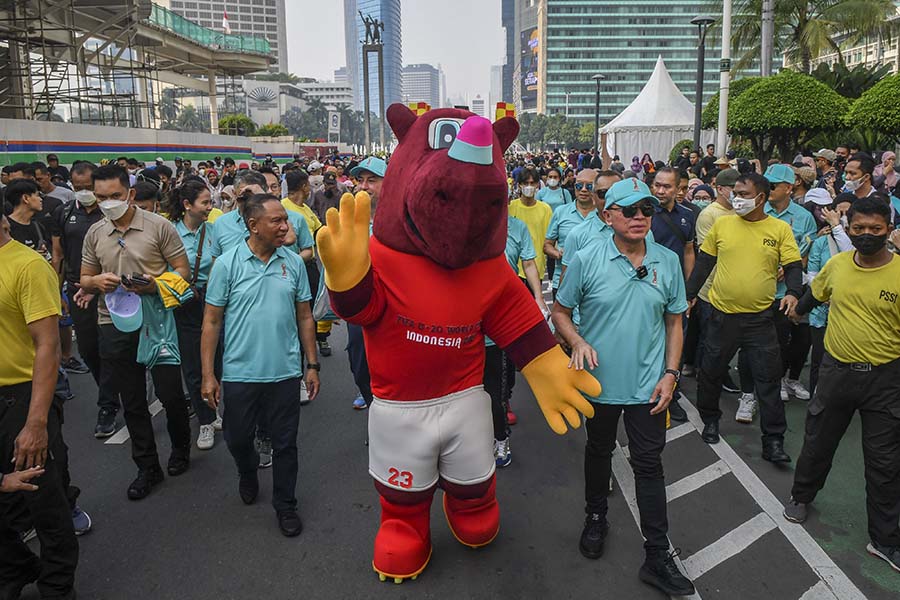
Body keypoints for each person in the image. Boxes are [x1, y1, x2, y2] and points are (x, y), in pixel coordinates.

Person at [552, 178, 694, 597]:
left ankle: (656, 555)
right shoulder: (586, 257)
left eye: (646, 210)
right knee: (598, 452)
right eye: (629, 210)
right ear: (607, 214)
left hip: (649, 387)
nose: (639, 218)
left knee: (649, 466)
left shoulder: (667, 261)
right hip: (597, 384)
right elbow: (560, 311)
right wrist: (577, 341)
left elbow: (675, 321)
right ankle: (595, 517)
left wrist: (671, 374)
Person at [784, 195, 900, 573]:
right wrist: (795, 313)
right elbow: (811, 298)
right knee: (818, 440)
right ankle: (801, 497)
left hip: (885, 379)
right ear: (848, 229)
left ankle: (884, 540)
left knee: (885, 463)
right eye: (859, 229)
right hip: (836, 373)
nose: (866, 235)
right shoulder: (835, 266)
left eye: (875, 230)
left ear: (889, 230)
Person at [201, 194, 320, 537]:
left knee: (286, 444)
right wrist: (209, 375)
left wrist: (311, 365)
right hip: (239, 374)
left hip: (285, 372)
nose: (286, 226)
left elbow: (305, 315)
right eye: (277, 221)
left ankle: (285, 505)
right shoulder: (226, 264)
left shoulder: (294, 263)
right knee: (238, 440)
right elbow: (211, 322)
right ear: (253, 226)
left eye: (286, 220)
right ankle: (247, 470)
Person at [79, 165, 192, 500]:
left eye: (115, 196)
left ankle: (180, 448)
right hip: (113, 323)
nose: (108, 203)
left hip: (156, 322)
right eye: (101, 197)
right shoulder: (95, 233)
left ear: (129, 193)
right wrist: (96, 282)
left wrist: (155, 285)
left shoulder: (158, 226)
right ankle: (147, 467)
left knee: (170, 394)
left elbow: (183, 270)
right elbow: (85, 277)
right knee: (132, 401)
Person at [685, 173, 802, 462]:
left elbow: (793, 264)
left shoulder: (779, 229)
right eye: (734, 191)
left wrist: (795, 292)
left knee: (768, 379)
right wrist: (688, 296)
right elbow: (704, 263)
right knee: (710, 372)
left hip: (761, 320)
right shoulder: (722, 224)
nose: (736, 197)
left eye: (743, 193)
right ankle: (710, 421)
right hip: (722, 317)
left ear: (760, 198)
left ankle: (773, 440)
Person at [0, 211, 78, 600]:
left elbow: (47, 344)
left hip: (21, 397)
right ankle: (15, 566)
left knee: (43, 499)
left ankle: (57, 585)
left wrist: (35, 423)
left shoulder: (27, 266)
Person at [51, 162, 120, 436]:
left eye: (88, 188)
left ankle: (108, 405)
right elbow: (58, 253)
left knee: (113, 347)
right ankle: (110, 390)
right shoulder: (63, 212)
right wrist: (56, 291)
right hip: (78, 289)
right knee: (90, 349)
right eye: (77, 188)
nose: (83, 193)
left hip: (113, 289)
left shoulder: (111, 214)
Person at [167, 181, 223, 450]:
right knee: (192, 364)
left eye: (211, 202)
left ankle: (215, 403)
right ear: (187, 205)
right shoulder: (169, 233)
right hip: (185, 304)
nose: (210, 208)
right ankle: (205, 420)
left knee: (218, 357)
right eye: (205, 203)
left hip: (214, 301)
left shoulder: (214, 231)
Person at [762, 164, 818, 402]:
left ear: (788, 188)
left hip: (786, 293)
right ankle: (760, 387)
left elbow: (807, 252)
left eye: (772, 185)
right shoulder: (758, 212)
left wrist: (788, 267)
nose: (768, 189)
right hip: (759, 292)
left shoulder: (804, 217)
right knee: (759, 344)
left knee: (785, 341)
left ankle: (783, 380)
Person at [344, 157, 387, 410]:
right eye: (360, 180)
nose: (364, 186)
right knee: (358, 356)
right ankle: (370, 399)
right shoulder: (346, 220)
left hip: (394, 304)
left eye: (372, 180)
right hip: (359, 306)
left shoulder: (400, 219)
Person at [804, 196, 854, 397]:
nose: (841, 217)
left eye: (846, 213)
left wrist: (838, 228)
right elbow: (812, 274)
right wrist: (824, 295)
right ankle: (817, 395)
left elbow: (850, 253)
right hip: (822, 310)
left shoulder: (864, 244)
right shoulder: (822, 242)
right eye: (837, 212)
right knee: (819, 357)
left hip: (849, 312)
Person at [544, 169, 596, 299]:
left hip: (594, 284)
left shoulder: (604, 216)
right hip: (562, 281)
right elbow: (547, 245)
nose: (583, 190)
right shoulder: (561, 212)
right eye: (579, 185)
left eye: (589, 186)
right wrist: (558, 254)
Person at [508, 167, 552, 293]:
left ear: (538, 185)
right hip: (514, 269)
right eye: (525, 183)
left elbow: (549, 238)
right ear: (519, 185)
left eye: (532, 183)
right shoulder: (511, 207)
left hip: (536, 267)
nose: (529, 186)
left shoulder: (545, 209)